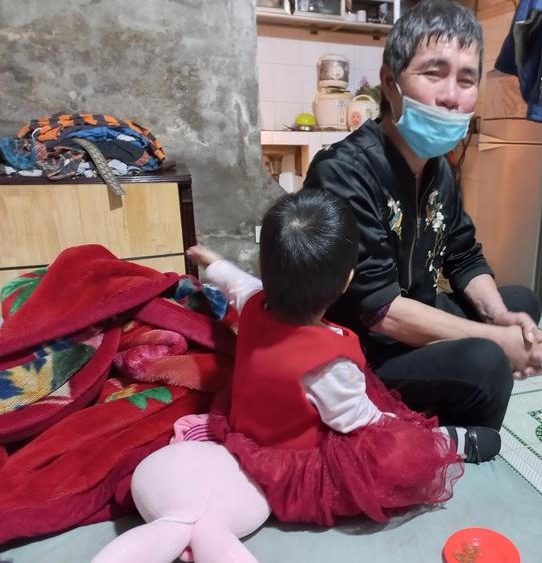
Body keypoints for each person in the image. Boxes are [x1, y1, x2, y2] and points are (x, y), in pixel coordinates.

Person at [304, 0, 542, 431]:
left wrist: (499, 319)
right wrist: (496, 340)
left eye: (466, 79)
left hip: (414, 317)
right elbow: (379, 310)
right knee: (486, 358)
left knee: (519, 304)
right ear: (390, 82)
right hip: (360, 352)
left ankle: (452, 410)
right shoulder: (342, 172)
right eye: (433, 73)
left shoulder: (437, 167)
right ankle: (452, 440)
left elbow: (463, 255)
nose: (452, 97)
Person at [186, 189, 501, 528]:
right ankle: (448, 443)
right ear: (347, 280)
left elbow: (236, 282)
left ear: (264, 265)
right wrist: (402, 429)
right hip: (294, 461)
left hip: (248, 431)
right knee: (393, 449)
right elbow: (357, 420)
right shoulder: (327, 364)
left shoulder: (253, 303)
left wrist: (213, 262)